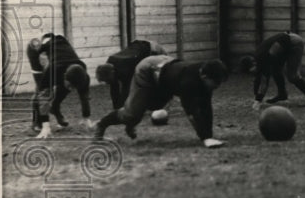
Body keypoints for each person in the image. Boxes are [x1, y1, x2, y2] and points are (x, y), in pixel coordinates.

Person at [93, 55, 228, 148]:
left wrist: (210, 136)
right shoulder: (188, 84)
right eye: (216, 83)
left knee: (155, 105)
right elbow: (192, 113)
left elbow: (206, 107)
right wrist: (205, 138)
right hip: (147, 69)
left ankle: (131, 122)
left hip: (164, 71)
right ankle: (102, 124)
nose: (217, 86)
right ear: (204, 76)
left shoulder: (203, 75)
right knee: (132, 113)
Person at [28, 33, 93, 139]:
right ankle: (37, 121)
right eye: (70, 85)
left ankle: (55, 109)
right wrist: (46, 126)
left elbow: (84, 97)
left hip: (59, 54)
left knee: (64, 88)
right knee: (40, 90)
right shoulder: (52, 72)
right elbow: (43, 96)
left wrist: (86, 118)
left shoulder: (84, 77)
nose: (72, 90)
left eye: (74, 87)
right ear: (64, 76)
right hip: (35, 51)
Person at [238, 31, 305, 109]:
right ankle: (282, 94)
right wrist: (257, 97)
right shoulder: (258, 60)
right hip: (283, 45)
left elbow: (264, 81)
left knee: (292, 76)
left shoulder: (263, 58)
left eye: (251, 71)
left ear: (253, 63)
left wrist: (258, 101)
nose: (252, 73)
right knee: (275, 70)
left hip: (293, 42)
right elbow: (258, 79)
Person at [94, 39, 167, 110]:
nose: (107, 82)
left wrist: (123, 108)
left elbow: (127, 90)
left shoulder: (125, 69)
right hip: (137, 46)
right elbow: (114, 88)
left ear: (112, 73)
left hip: (153, 49)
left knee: (154, 81)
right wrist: (116, 108)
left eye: (107, 80)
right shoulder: (110, 62)